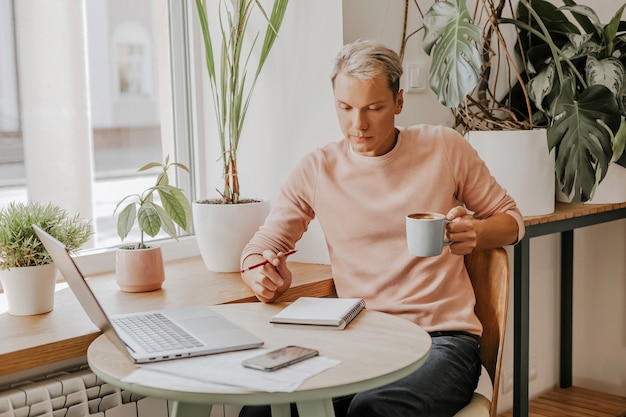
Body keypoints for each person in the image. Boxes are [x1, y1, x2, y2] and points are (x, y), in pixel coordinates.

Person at [239, 39, 525, 417]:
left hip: (442, 341)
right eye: (345, 108)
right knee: (260, 410)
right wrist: (260, 274)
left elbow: (513, 220)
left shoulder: (443, 147)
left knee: (373, 410)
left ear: (399, 102)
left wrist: (477, 233)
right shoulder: (317, 169)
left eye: (374, 108)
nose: (358, 124)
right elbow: (261, 247)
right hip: (360, 340)